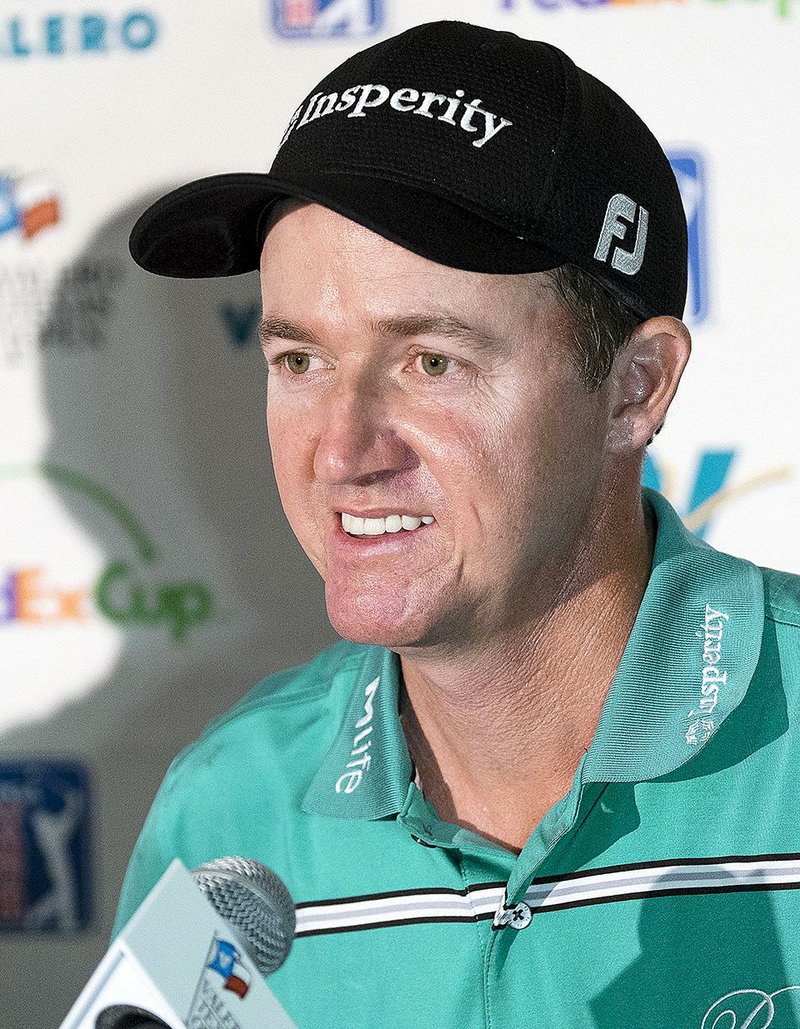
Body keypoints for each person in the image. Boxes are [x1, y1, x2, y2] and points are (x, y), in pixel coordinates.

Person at [114, 20, 800, 1028]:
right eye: (298, 360)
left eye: (430, 361)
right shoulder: (228, 808)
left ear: (633, 387)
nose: (342, 449)